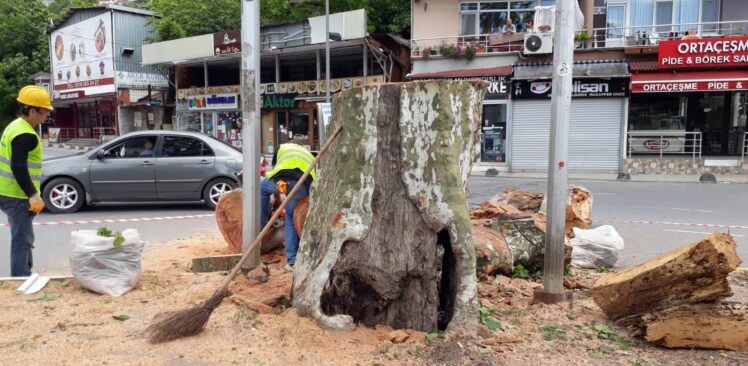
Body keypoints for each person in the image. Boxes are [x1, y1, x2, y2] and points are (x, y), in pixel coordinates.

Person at [0, 86, 52, 276]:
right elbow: (18, 166)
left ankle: (25, 274)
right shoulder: (25, 135)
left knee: (25, 237)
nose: (46, 114)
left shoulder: (15, 126)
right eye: (44, 111)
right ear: (32, 110)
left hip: (8, 191)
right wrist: (33, 195)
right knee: (22, 240)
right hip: (16, 195)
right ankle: (20, 278)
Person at [261, 143, 316, 272]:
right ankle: (292, 262)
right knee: (291, 217)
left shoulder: (281, 149)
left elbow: (276, 170)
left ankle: (262, 226)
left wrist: (277, 195)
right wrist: (278, 198)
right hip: (302, 185)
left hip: (282, 181)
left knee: (261, 187)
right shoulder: (305, 153)